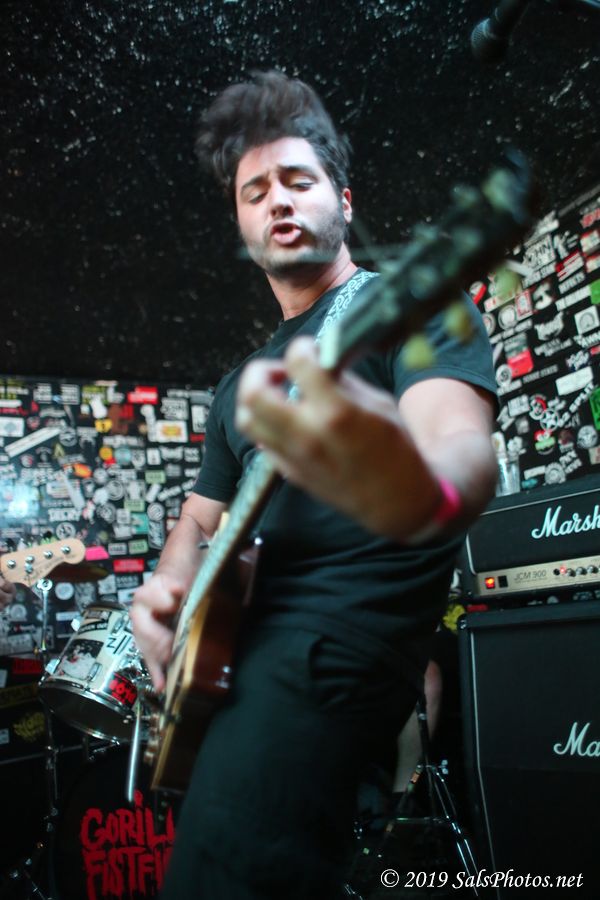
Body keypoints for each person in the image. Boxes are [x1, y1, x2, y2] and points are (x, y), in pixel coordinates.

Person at [131, 70, 498, 900]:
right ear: (241, 224)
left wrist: (415, 487)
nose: (277, 200)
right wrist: (171, 590)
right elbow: (199, 520)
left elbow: (461, 451)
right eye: (254, 191)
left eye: (297, 179)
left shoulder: (410, 304)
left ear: (344, 199)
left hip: (335, 644)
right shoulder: (239, 386)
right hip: (239, 653)